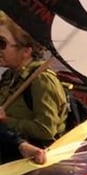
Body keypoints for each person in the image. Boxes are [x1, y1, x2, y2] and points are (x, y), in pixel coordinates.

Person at [0, 12, 68, 148]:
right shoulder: (9, 75)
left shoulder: (42, 80)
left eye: (1, 43)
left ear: (26, 51)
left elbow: (46, 130)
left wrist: (6, 121)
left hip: (30, 161)